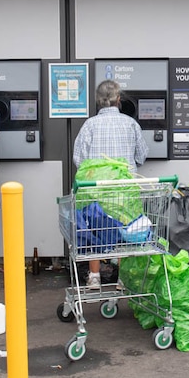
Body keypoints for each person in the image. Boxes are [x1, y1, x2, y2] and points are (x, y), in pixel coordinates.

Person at [73, 79, 148, 288]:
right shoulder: (130, 123)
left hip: (97, 191)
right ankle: (122, 278)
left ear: (98, 101)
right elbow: (141, 155)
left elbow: (79, 160)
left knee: (94, 229)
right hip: (125, 192)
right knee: (125, 231)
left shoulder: (90, 125)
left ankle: (94, 276)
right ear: (119, 100)